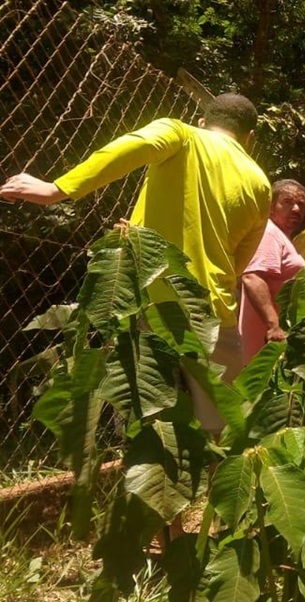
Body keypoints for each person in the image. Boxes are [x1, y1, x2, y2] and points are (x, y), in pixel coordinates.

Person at [0, 93, 272, 435]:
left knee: (151, 419)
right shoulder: (261, 183)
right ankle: (214, 484)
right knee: (221, 429)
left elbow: (130, 147)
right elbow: (238, 259)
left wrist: (59, 189)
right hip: (214, 313)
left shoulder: (181, 134)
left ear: (203, 122)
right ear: (250, 138)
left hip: (152, 304)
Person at [239, 179, 305, 362]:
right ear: (271, 207)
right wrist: (274, 326)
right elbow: (252, 277)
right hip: (265, 350)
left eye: (301, 204)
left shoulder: (281, 238)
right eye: (288, 202)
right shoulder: (269, 233)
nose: (296, 209)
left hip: (275, 348)